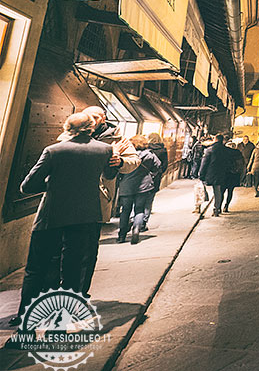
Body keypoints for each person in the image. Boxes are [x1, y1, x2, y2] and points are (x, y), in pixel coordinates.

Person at [12, 112, 120, 326]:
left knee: (36, 270)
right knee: (72, 270)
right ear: (91, 128)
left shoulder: (54, 151)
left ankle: (27, 324)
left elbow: (28, 186)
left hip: (51, 217)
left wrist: (53, 187)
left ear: (66, 128)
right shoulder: (105, 150)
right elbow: (109, 175)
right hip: (85, 218)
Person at [80, 105, 139, 298]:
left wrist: (120, 161)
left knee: (88, 248)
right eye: (89, 116)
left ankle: (81, 290)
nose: (92, 120)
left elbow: (134, 160)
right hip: (70, 198)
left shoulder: (117, 138)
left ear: (103, 119)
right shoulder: (76, 134)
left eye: (96, 117)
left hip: (97, 199)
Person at [116, 135, 162, 244]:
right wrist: (150, 175)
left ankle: (121, 235)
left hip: (126, 186)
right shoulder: (150, 155)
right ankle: (136, 229)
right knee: (139, 209)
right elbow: (158, 167)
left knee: (125, 210)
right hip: (144, 186)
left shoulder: (126, 156)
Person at [199, 134, 238, 216]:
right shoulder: (227, 150)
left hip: (213, 173)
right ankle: (217, 208)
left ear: (215, 139)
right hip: (224, 173)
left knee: (217, 191)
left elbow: (204, 163)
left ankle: (216, 209)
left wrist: (201, 175)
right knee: (219, 192)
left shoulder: (209, 150)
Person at [141, 133, 168, 231]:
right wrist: (157, 174)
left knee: (138, 200)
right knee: (148, 201)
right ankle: (143, 222)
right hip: (155, 179)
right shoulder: (163, 150)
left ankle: (135, 219)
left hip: (140, 178)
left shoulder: (144, 149)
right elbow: (164, 166)